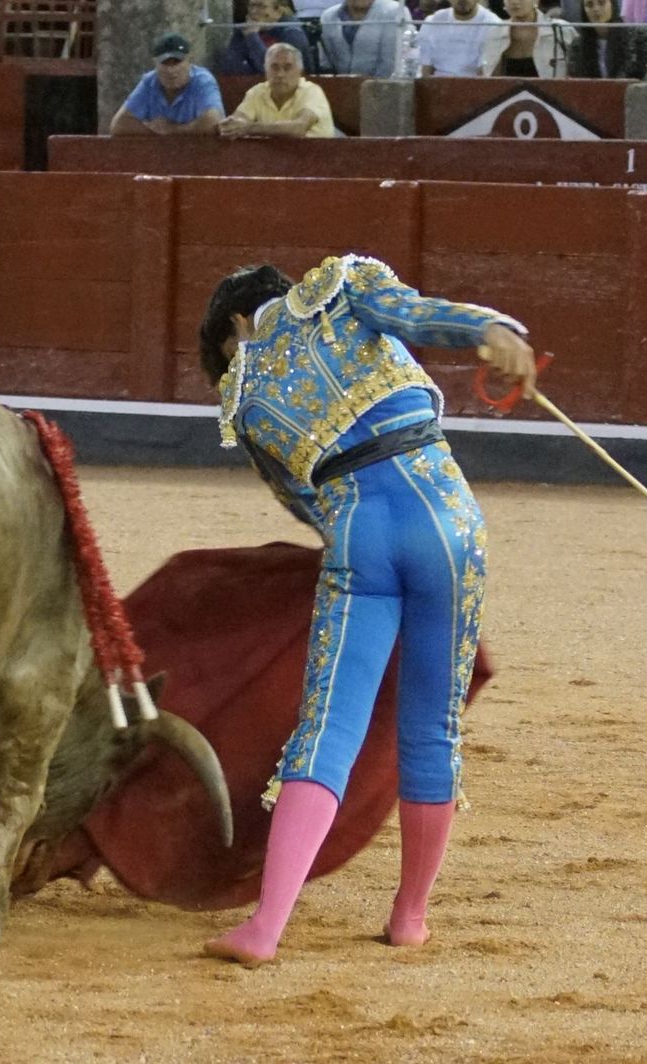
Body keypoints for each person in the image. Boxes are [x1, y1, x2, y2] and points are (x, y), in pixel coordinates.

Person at [195, 254, 536, 968]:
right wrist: (493, 329)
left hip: (358, 531)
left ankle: (266, 928)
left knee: (328, 727)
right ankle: (410, 918)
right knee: (431, 728)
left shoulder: (245, 394)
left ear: (236, 322)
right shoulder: (342, 290)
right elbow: (419, 316)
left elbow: (301, 502)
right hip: (444, 512)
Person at [110, 32, 225, 136]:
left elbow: (214, 122)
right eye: (165, 63)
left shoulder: (203, 81)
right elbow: (118, 125)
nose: (171, 70)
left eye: (177, 62)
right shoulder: (149, 82)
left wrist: (172, 130)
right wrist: (156, 133)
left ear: (189, 61)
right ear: (155, 64)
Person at [220, 43, 338, 137]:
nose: (280, 74)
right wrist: (232, 126)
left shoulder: (312, 91)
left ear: (300, 71)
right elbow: (236, 122)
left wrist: (248, 128)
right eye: (274, 67)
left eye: (287, 68)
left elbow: (299, 128)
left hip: (315, 160)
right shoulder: (257, 92)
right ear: (266, 70)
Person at [217, 0, 319, 75]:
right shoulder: (245, 31)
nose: (253, 11)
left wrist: (252, 38)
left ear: (278, 11)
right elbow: (230, 67)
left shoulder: (292, 33)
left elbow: (275, 71)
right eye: (251, 6)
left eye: (261, 6)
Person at [418, 0, 509, 75]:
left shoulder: (494, 25)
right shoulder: (432, 22)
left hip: (473, 89)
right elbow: (425, 69)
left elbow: (484, 75)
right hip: (435, 87)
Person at [320, 0, 409, 75]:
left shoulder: (395, 11)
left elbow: (390, 64)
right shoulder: (328, 16)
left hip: (383, 89)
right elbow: (327, 62)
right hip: (340, 88)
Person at [567, 0, 647, 76]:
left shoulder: (637, 39)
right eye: (589, 5)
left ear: (612, 4)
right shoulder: (577, 46)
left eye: (601, 3)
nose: (596, 9)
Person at [493, 0, 573, 75]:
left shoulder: (561, 29)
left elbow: (578, 70)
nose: (514, 1)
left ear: (536, 1)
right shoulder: (494, 32)